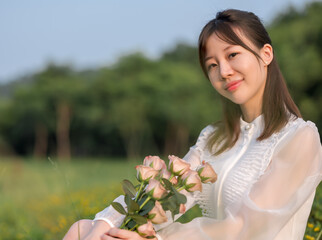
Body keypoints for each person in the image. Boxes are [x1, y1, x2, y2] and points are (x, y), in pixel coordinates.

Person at [64, 9, 322, 240]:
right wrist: (107, 221)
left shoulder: (298, 137)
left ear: (265, 54)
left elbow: (244, 228)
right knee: (82, 229)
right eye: (212, 65)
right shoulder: (214, 139)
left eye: (232, 55)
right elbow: (163, 196)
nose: (224, 71)